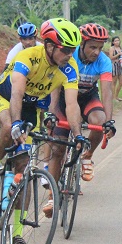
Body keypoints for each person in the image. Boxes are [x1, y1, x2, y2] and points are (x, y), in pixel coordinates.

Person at [0, 17, 85, 244]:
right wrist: (15, 124)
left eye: (73, 50)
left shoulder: (69, 68)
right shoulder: (27, 57)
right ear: (49, 46)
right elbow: (16, 93)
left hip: (30, 109)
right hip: (5, 99)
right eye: (66, 50)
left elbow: (72, 104)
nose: (70, 55)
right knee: (7, 129)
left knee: (24, 167)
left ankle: (16, 235)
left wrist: (78, 135)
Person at [43, 22, 116, 216]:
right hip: (64, 99)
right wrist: (51, 112)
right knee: (58, 148)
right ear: (81, 44)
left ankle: (87, 156)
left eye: (100, 48)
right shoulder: (69, 56)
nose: (96, 52)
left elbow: (107, 93)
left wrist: (109, 121)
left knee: (100, 122)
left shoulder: (104, 61)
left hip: (87, 97)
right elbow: (55, 88)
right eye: (92, 47)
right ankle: (52, 196)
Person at [109, 35, 122, 101]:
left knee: (121, 82)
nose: (117, 42)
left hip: (120, 65)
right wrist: (118, 54)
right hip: (114, 65)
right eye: (115, 41)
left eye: (118, 40)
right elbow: (111, 57)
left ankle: (116, 96)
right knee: (114, 82)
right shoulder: (112, 48)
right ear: (113, 42)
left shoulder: (120, 48)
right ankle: (113, 97)